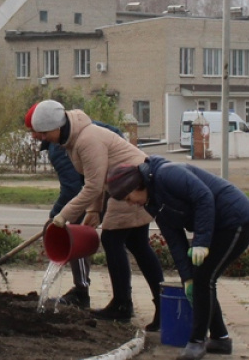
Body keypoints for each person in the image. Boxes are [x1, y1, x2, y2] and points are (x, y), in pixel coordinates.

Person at [25, 100, 165, 329]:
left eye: (43, 133)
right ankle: (161, 307)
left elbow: (93, 185)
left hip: (133, 186)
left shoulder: (87, 139)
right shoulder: (73, 140)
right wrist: (94, 210)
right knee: (138, 245)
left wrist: (62, 216)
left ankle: (122, 305)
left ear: (56, 126)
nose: (42, 137)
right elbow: (97, 179)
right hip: (127, 183)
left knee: (114, 240)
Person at [105, 156, 249, 360]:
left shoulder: (168, 174)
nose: (130, 203)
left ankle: (197, 342)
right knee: (198, 279)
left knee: (205, 278)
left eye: (128, 197)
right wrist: (187, 278)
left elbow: (204, 197)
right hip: (217, 225)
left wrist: (201, 242)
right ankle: (220, 339)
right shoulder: (153, 202)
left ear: (137, 185)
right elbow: (174, 240)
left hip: (236, 219)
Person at [44, 140, 92, 308]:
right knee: (118, 242)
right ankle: (121, 300)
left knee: (75, 236)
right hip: (106, 185)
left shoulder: (58, 148)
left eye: (34, 130)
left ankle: (81, 292)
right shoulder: (61, 142)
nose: (33, 136)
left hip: (105, 188)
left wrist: (56, 215)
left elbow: (72, 189)